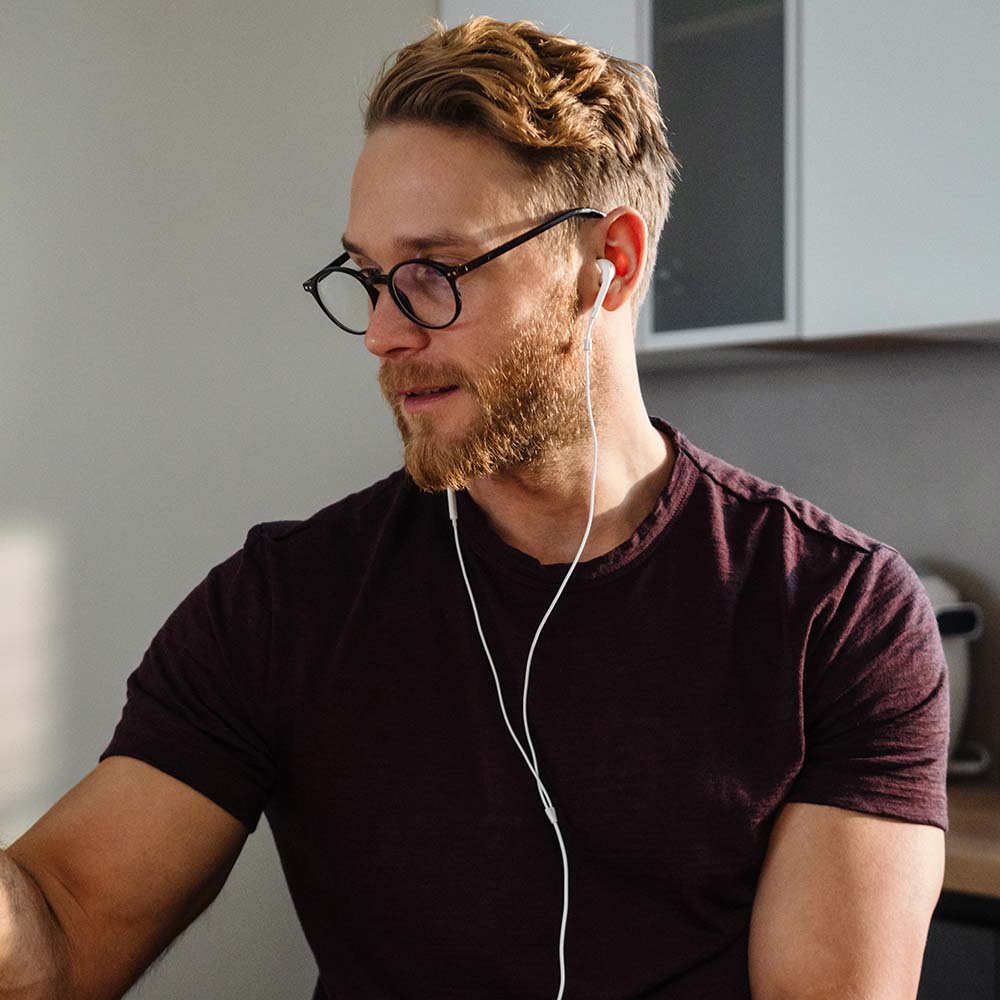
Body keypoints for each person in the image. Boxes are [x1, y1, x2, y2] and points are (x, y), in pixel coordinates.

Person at [0, 16, 949, 1000]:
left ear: (608, 262)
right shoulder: (281, 605)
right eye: (369, 277)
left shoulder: (835, 612)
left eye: (433, 273)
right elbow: (63, 929)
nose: (379, 333)